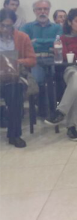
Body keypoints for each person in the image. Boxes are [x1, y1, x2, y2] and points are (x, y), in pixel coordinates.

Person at [44, 8, 77, 141]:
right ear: (69, 22)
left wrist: (75, 51)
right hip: (70, 68)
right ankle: (71, 127)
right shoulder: (63, 38)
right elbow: (64, 55)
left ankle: (60, 112)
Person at [20, 0, 62, 116]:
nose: (42, 11)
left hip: (52, 58)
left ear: (49, 11)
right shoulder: (26, 27)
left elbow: (58, 42)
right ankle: (44, 109)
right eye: (39, 9)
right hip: (35, 59)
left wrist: (37, 41)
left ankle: (53, 108)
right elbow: (25, 44)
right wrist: (50, 43)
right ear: (34, 11)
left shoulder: (57, 27)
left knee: (54, 79)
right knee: (39, 80)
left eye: (45, 9)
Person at [0, 8, 36, 148]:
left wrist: (15, 62)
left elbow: (32, 60)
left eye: (9, 26)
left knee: (14, 90)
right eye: (2, 25)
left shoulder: (22, 37)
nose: (5, 29)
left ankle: (14, 134)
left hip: (14, 76)